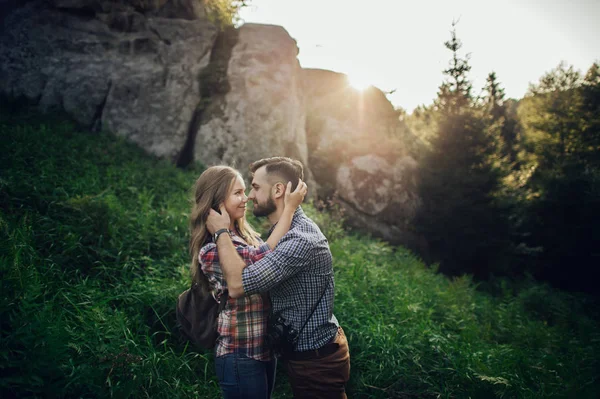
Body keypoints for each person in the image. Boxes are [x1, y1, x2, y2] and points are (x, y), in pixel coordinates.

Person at [206, 157, 351, 399]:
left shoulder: (299, 241)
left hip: (316, 362)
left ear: (278, 190)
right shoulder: (284, 231)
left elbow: (238, 285)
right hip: (308, 354)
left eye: (255, 187)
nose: (250, 196)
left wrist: (221, 231)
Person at [189, 165, 307, 399]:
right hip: (239, 354)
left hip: (264, 350)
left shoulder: (247, 236)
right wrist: (290, 209)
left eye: (245, 191)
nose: (246, 199)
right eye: (237, 193)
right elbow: (261, 256)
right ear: (217, 202)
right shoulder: (212, 250)